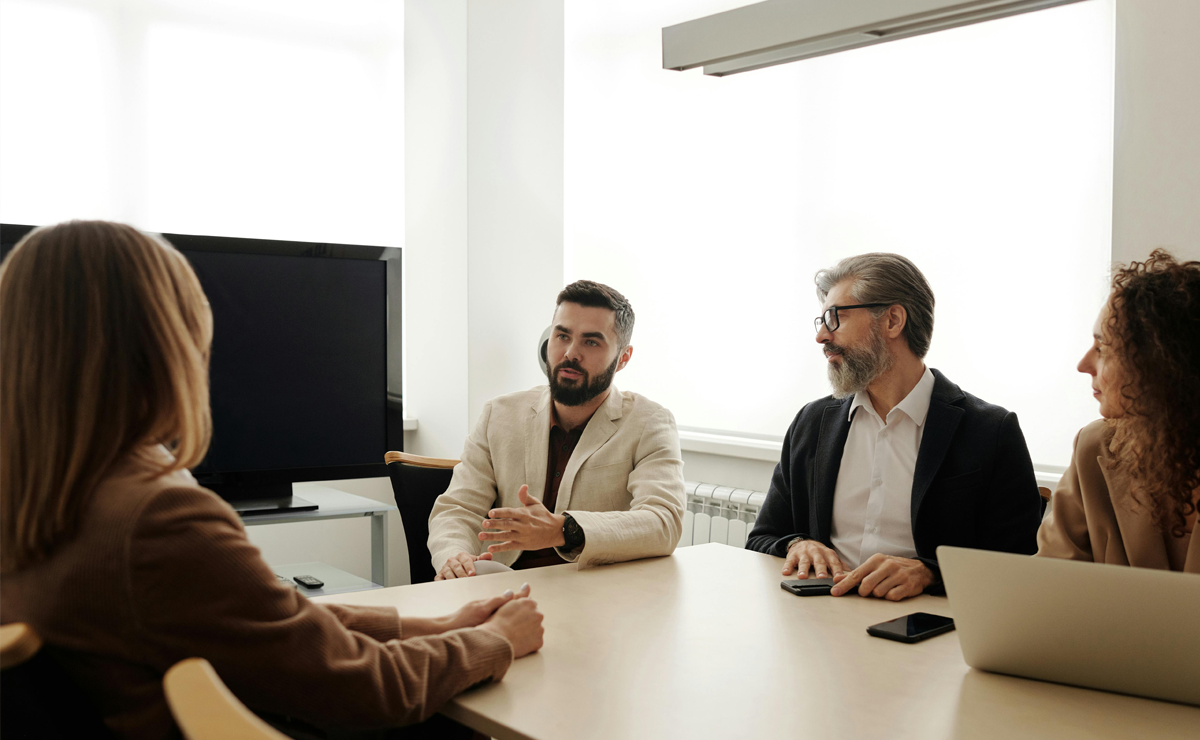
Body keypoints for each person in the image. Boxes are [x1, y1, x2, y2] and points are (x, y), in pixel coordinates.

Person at [0, 221, 544, 740]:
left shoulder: (39, 496)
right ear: (165, 347)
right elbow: (363, 687)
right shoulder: (158, 520)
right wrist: (493, 641)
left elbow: (271, 624)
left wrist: (436, 625)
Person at [746, 253, 1043, 600]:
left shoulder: (990, 431)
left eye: (835, 317)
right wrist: (798, 544)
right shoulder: (811, 423)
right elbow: (762, 538)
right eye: (821, 321)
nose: (822, 336)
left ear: (893, 321)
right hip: (820, 619)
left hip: (926, 633)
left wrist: (931, 573)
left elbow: (1020, 563)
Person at [427, 280, 685, 580]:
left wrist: (565, 530)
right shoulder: (499, 415)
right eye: (562, 336)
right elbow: (458, 508)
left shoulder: (649, 422)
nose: (570, 353)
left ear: (623, 358)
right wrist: (455, 555)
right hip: (500, 586)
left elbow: (663, 522)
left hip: (595, 596)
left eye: (591, 342)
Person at [1037, 249, 1199, 572]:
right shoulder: (1093, 448)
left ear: (1160, 363)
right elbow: (1048, 583)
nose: (1083, 365)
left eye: (1103, 349)